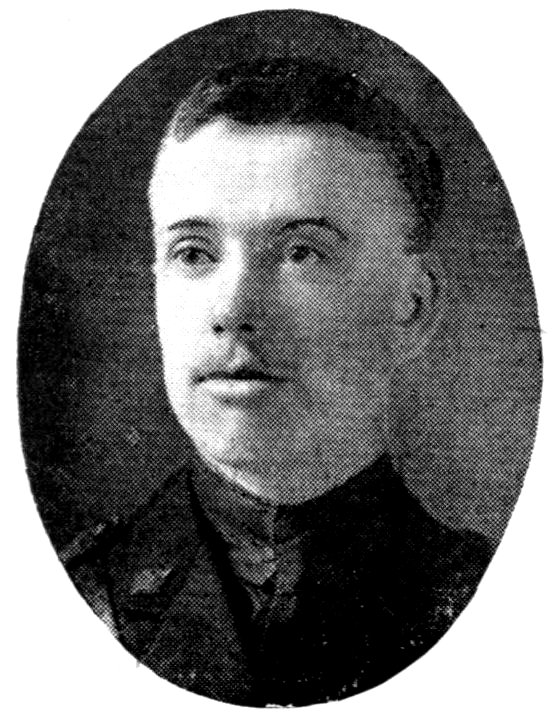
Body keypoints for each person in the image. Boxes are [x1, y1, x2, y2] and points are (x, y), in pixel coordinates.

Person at [63, 58, 493, 706]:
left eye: (301, 252)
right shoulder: (77, 598)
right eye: (193, 253)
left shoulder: (492, 604)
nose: (233, 308)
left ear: (411, 305)